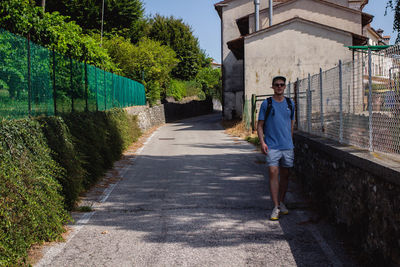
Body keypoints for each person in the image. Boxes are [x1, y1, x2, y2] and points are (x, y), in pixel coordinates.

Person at [257, 76, 295, 221]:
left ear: (285, 87)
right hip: (272, 146)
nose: (279, 87)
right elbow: (259, 125)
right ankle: (275, 207)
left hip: (287, 146)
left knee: (285, 176)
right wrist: (262, 143)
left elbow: (291, 124)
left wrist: (290, 141)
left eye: (281, 85)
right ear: (272, 87)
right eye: (276, 85)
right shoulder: (267, 104)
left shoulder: (290, 103)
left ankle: (281, 202)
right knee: (273, 172)